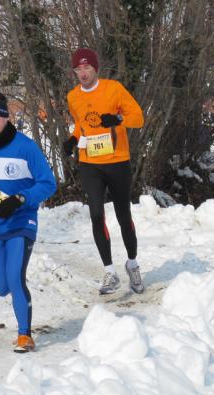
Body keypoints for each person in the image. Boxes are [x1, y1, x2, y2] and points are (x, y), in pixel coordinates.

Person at [0, 91, 56, 353]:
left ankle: (24, 335)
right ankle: (20, 320)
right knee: (0, 287)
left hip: (21, 220)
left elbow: (48, 183)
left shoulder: (25, 146)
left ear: (6, 117)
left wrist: (20, 199)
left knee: (15, 278)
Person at [63, 48, 145, 295]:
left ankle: (132, 264)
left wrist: (118, 120)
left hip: (118, 160)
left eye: (87, 68)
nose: (83, 73)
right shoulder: (73, 97)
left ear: (96, 68)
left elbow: (138, 117)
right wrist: (72, 139)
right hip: (90, 163)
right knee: (97, 215)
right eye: (78, 69)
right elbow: (81, 123)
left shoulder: (114, 89)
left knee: (123, 215)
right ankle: (110, 272)